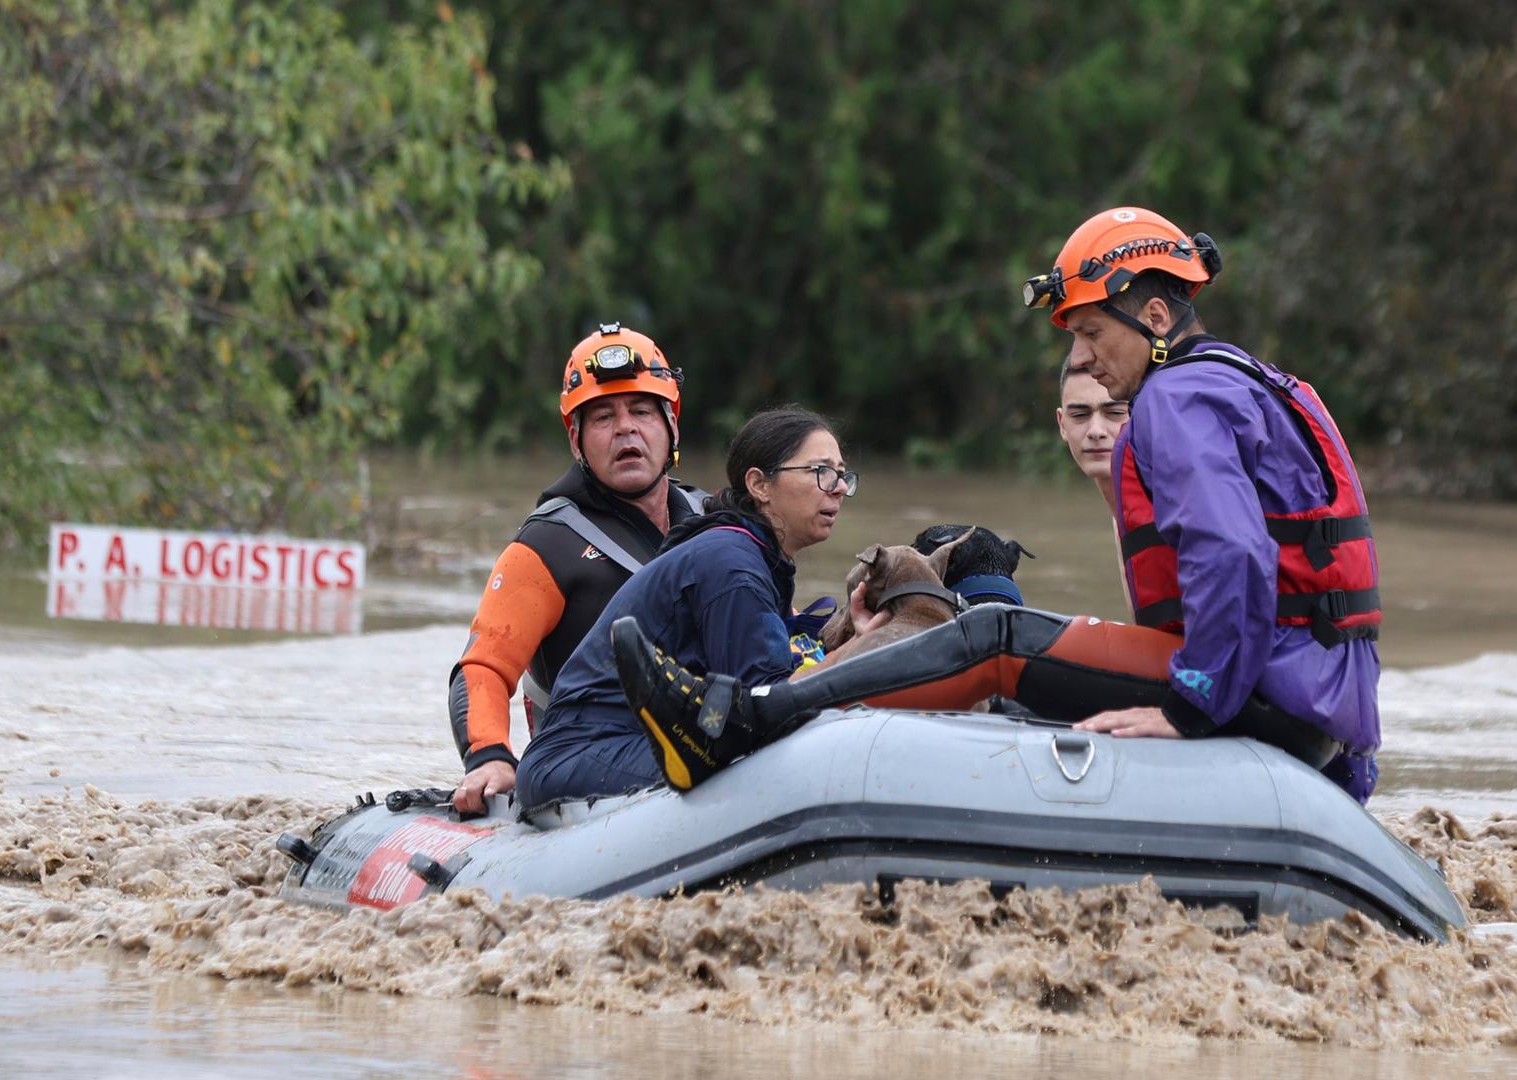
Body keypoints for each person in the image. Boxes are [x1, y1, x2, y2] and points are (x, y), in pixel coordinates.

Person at [617, 207, 1382, 803]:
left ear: (1154, 319)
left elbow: (1234, 555)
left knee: (994, 633)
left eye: (1088, 332)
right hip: (1319, 705)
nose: (1078, 358)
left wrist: (1191, 708)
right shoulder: (1261, 385)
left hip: (1261, 689)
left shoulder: (1176, 397)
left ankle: (739, 723)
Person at [516, 407, 877, 803]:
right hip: (579, 755)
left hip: (622, 745)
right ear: (759, 484)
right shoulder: (733, 563)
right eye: (821, 472)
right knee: (759, 762)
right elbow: (768, 705)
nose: (839, 487)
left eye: (842, 475)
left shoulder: (753, 555)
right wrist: (860, 653)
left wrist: (851, 641)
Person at [445, 323, 706, 813]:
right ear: (576, 439)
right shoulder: (546, 546)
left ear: (672, 424)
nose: (626, 428)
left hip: (707, 743)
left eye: (643, 411)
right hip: (587, 771)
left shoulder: (716, 521)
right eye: (603, 416)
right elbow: (483, 668)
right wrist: (489, 756)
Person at [1056, 353, 1130, 512]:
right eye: (1080, 415)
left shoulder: (1172, 515)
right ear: (1062, 425)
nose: (1096, 431)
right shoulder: (1124, 518)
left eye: (1115, 413)